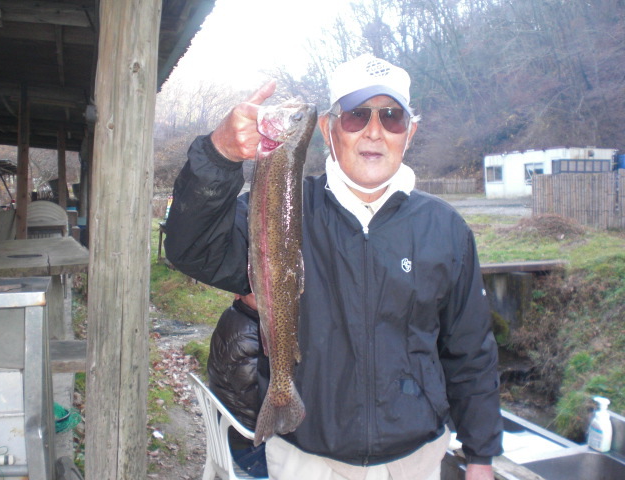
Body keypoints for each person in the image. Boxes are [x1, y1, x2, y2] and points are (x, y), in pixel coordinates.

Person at [166, 54, 503, 480]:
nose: (375, 131)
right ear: (328, 129)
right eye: (356, 116)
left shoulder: (447, 229)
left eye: (392, 117)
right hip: (305, 457)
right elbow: (191, 249)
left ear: (410, 132)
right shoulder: (282, 208)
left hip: (416, 458)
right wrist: (218, 156)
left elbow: (470, 352)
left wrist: (481, 456)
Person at [207, 292, 269, 478]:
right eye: (253, 289)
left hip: (233, 436)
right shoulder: (245, 336)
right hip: (249, 450)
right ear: (237, 293)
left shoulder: (239, 316)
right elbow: (257, 401)